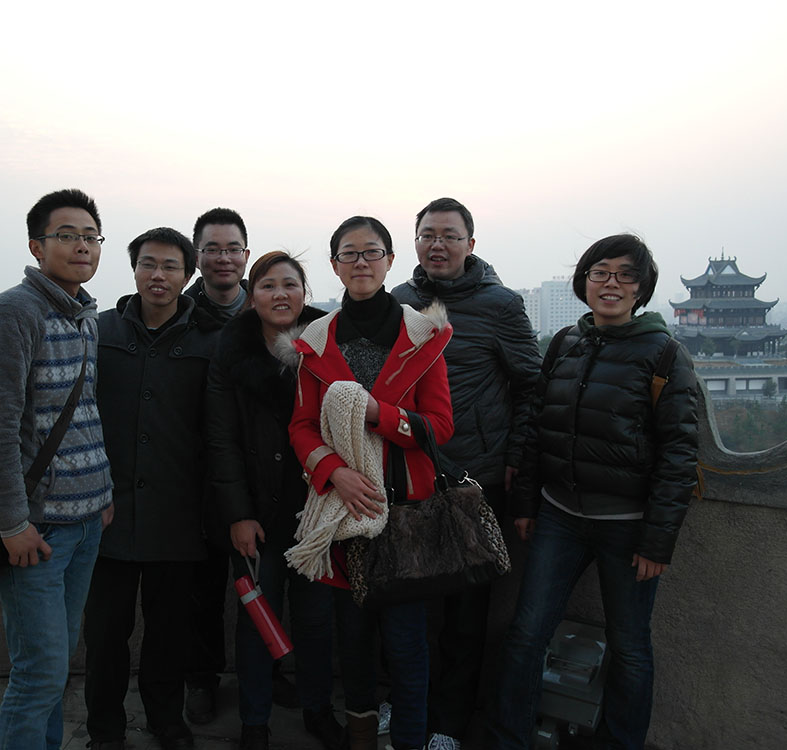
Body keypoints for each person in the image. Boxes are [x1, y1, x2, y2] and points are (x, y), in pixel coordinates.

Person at [484, 234, 698, 750]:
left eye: (625, 275)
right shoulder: (565, 343)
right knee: (526, 633)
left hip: (627, 526)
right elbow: (538, 426)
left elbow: (679, 454)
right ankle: (510, 737)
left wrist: (657, 542)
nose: (611, 284)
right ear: (584, 281)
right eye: (600, 272)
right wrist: (526, 504)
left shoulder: (664, 354)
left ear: (642, 288)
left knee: (630, 647)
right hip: (560, 515)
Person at [284, 216, 454, 750]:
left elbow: (440, 427)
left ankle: (409, 739)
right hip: (343, 512)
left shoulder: (424, 335)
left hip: (404, 511)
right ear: (334, 266)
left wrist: (377, 414)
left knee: (406, 642)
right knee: (352, 641)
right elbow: (301, 426)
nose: (361, 262)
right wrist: (335, 473)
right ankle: (360, 737)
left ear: (390, 261)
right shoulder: (315, 342)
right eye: (349, 253)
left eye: (372, 252)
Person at [0, 188, 114, 750]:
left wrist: (103, 493)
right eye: (66, 235)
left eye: (91, 236)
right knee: (38, 674)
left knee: (56, 668)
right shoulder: (13, 313)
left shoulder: (82, 315)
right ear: (36, 245)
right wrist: (11, 524)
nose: (82, 246)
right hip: (38, 530)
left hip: (86, 523)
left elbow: (85, 413)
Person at [391, 197, 541, 750]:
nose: (438, 245)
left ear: (470, 245)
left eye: (450, 236)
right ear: (414, 243)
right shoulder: (398, 300)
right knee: (403, 597)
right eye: (428, 235)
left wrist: (516, 454)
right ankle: (404, 702)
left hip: (476, 477)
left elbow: (532, 385)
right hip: (408, 471)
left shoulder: (501, 305)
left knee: (466, 608)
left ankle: (448, 724)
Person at [83, 228, 222, 750]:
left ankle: (167, 720)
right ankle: (105, 730)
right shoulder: (99, 331)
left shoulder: (210, 340)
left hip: (178, 515)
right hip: (106, 512)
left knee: (169, 632)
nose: (157, 275)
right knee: (104, 636)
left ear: (188, 275)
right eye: (148, 264)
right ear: (134, 269)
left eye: (169, 266)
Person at [205, 251, 343, 750]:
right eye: (267, 285)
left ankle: (317, 709)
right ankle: (254, 722)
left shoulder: (328, 344)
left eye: (290, 284)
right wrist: (238, 514)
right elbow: (220, 439)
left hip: (316, 510)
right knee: (256, 618)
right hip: (257, 511)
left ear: (305, 292)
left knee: (316, 619)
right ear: (251, 295)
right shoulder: (231, 350)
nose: (280, 294)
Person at [182, 207, 260, 724]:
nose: (223, 258)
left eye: (232, 248)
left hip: (261, 476)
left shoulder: (270, 309)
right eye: (212, 249)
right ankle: (201, 679)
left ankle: (267, 673)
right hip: (195, 479)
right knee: (201, 591)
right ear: (197, 257)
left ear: (246, 255)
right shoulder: (179, 317)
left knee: (262, 584)